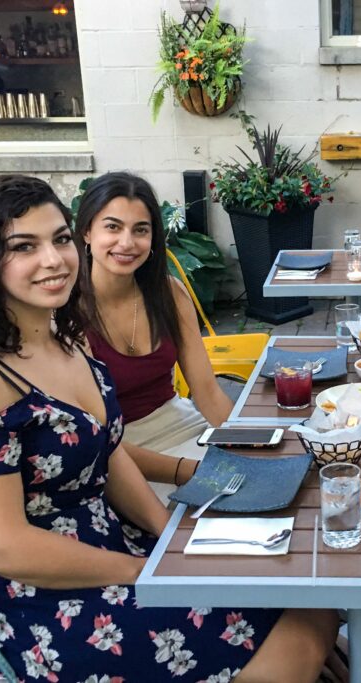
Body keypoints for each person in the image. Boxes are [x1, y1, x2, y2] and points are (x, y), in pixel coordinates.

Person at [0, 175, 337, 682]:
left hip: (115, 541)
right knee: (297, 632)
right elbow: (1, 546)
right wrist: (145, 571)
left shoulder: (65, 342)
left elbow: (110, 452)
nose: (53, 259)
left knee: (304, 594)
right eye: (23, 247)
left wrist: (170, 538)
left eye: (57, 240)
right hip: (40, 597)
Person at [75, 172, 233, 501]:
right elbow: (97, 441)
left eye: (140, 230)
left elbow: (207, 393)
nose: (127, 242)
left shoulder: (168, 292)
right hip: (124, 459)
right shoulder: (68, 317)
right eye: (112, 227)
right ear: (87, 232)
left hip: (186, 427)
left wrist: (251, 445)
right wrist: (188, 470)